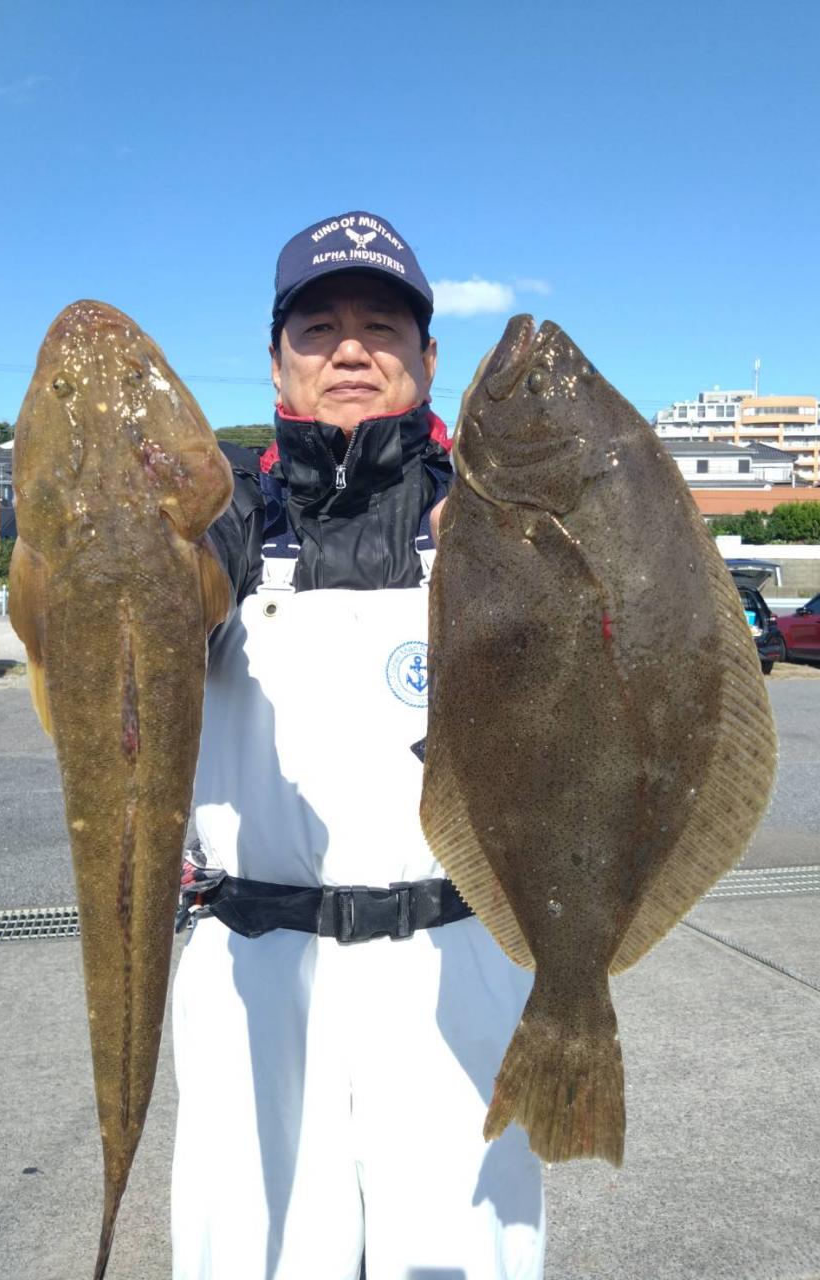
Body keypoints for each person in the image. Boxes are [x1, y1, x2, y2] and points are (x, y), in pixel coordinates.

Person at [170, 211, 547, 1280]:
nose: (350, 349)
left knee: (470, 1253)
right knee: (252, 1255)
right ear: (276, 361)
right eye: (318, 327)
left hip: (457, 958)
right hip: (252, 961)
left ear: (429, 357)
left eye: (381, 327)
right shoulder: (225, 512)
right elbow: (156, 617)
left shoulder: (496, 518)